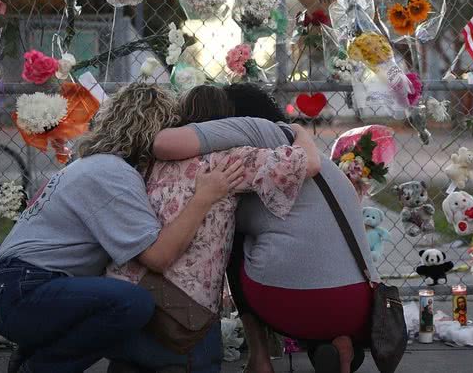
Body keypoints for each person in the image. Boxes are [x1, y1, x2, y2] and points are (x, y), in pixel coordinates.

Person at [0, 83, 245, 373]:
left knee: (119, 297)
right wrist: (204, 197)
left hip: (13, 287)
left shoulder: (90, 165)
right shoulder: (113, 174)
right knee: (133, 303)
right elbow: (159, 257)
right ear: (154, 134)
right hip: (23, 292)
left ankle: (32, 356)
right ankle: (42, 367)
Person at [153, 83, 379, 373]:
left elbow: (164, 143)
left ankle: (259, 357)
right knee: (294, 242)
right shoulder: (305, 152)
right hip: (359, 303)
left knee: (233, 234)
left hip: (292, 300)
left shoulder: (248, 134)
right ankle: (335, 343)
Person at [106, 84, 319, 322]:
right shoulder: (230, 160)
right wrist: (299, 132)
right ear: (227, 121)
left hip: (121, 291)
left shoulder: (146, 160)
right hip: (180, 313)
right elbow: (305, 164)